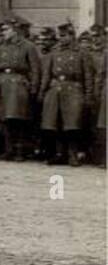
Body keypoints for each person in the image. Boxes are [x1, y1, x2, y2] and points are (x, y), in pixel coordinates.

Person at [39, 22, 91, 166]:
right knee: (55, 123)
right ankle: (59, 153)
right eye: (60, 36)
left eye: (64, 36)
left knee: (72, 125)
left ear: (72, 36)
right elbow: (46, 75)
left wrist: (88, 96)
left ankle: (72, 155)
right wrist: (42, 92)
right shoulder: (54, 52)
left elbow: (88, 76)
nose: (61, 39)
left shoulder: (82, 53)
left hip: (74, 90)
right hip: (55, 90)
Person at [0, 20, 42, 161]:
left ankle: (20, 151)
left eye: (6, 29)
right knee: (5, 119)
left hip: (19, 85)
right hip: (3, 84)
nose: (3, 32)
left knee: (19, 119)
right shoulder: (1, 47)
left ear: (15, 30)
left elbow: (35, 69)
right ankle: (8, 150)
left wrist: (33, 87)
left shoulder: (28, 46)